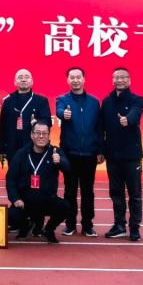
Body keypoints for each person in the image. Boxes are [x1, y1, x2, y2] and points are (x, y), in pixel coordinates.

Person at [55, 66, 103, 237]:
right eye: (72, 77)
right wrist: (64, 114)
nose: (75, 80)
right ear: (67, 80)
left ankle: (88, 225)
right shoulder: (62, 100)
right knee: (70, 191)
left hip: (89, 154)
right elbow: (59, 111)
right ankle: (70, 224)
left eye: (78, 77)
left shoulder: (94, 102)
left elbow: (99, 128)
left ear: (84, 79)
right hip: (70, 154)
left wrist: (100, 149)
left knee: (88, 191)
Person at [100, 67, 143, 242]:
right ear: (112, 80)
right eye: (116, 77)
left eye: (123, 77)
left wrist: (128, 119)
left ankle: (134, 227)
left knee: (134, 194)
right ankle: (119, 225)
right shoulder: (107, 101)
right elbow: (101, 128)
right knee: (116, 193)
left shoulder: (137, 99)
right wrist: (101, 151)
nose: (119, 80)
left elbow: (135, 113)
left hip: (132, 155)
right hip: (113, 156)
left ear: (129, 80)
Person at [6, 121, 71, 244]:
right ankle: (26, 225)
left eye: (44, 133)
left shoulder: (55, 152)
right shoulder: (21, 153)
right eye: (37, 133)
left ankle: (49, 229)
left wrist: (60, 161)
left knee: (65, 206)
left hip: (47, 200)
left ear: (49, 135)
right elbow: (11, 179)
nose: (41, 136)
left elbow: (67, 168)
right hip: (25, 202)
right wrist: (15, 199)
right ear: (31, 135)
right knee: (9, 215)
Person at [0, 69, 52, 163]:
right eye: (20, 77)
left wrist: (37, 123)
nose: (23, 79)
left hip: (35, 148)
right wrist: (2, 149)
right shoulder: (8, 101)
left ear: (32, 81)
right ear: (15, 82)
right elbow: (2, 127)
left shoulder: (41, 101)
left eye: (27, 77)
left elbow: (47, 122)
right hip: (12, 149)